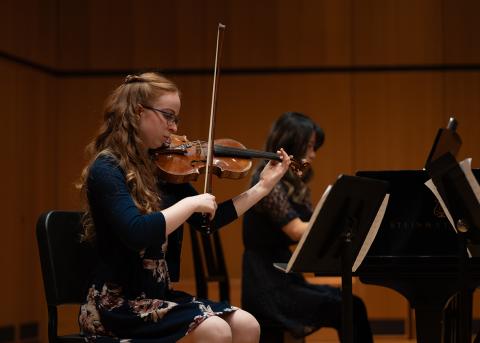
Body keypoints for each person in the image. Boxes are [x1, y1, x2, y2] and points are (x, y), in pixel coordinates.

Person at [76, 72, 292, 343]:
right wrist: (190, 204)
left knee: (247, 325)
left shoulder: (162, 169)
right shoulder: (107, 169)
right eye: (168, 116)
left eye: (175, 118)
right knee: (216, 330)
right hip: (115, 304)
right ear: (138, 112)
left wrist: (262, 188)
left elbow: (208, 222)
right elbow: (136, 233)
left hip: (158, 298)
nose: (174, 127)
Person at [241, 112, 374, 342]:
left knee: (352, 304)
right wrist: (339, 216)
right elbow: (296, 230)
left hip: (285, 278)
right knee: (349, 307)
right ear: (292, 143)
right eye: (310, 146)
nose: (313, 154)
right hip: (266, 285)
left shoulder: (293, 183)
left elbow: (311, 225)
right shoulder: (266, 181)